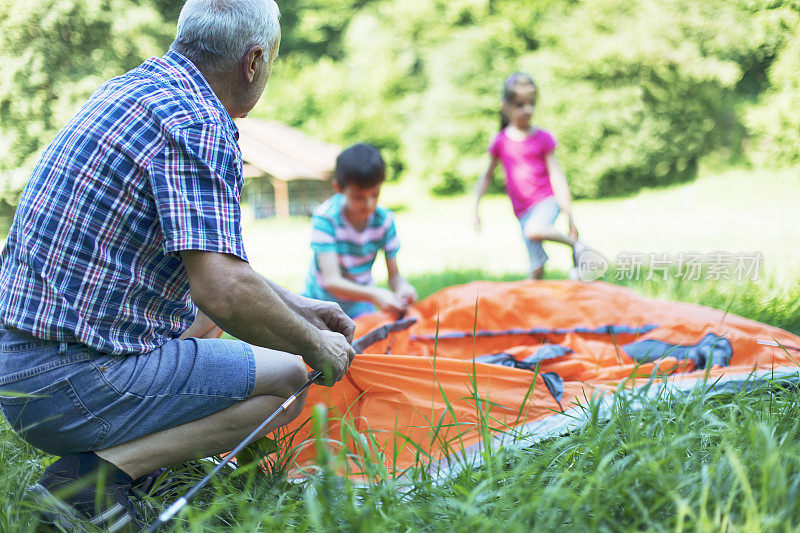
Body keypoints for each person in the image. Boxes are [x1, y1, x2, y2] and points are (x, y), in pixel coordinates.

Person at [0, 0, 355, 529]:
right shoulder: (199, 123)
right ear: (253, 61)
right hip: (63, 384)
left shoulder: (132, 89)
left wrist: (302, 309)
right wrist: (314, 344)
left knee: (210, 318)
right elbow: (225, 290)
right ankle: (89, 482)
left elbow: (220, 273)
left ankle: (142, 458)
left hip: (19, 367)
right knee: (285, 379)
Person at [474, 72, 593, 280]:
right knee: (536, 269)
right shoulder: (500, 142)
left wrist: (570, 216)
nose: (527, 109)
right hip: (522, 211)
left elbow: (557, 176)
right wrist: (476, 207)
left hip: (546, 200)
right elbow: (486, 176)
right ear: (506, 106)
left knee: (534, 230)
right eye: (520, 104)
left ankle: (579, 247)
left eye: (531, 103)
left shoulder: (543, 138)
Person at [303, 143, 417, 319]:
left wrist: (403, 288)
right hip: (319, 303)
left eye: (375, 194)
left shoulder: (384, 221)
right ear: (339, 188)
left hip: (360, 304)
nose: (368, 204)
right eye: (359, 197)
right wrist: (375, 294)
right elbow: (332, 281)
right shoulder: (326, 219)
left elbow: (394, 277)